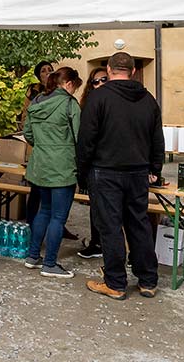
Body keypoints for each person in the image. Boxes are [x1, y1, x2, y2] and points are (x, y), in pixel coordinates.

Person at [78, 52, 163, 300]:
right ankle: (148, 280)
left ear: (109, 68)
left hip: (106, 171)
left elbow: (86, 140)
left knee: (111, 227)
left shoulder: (99, 97)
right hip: (138, 171)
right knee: (139, 224)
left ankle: (115, 282)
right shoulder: (148, 99)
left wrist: (82, 173)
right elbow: (157, 139)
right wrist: (154, 170)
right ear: (133, 71)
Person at [22, 67, 82, 279]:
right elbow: (78, 137)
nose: (74, 91)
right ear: (68, 84)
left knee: (43, 211)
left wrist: (43, 145)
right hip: (62, 167)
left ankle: (32, 256)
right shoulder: (69, 104)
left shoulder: (37, 101)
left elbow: (27, 132)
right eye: (74, 87)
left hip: (40, 165)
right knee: (58, 216)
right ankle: (50, 263)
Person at [76, 67, 109, 259]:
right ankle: (97, 243)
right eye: (95, 81)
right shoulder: (87, 105)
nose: (99, 84)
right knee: (95, 208)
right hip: (94, 163)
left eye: (103, 79)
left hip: (110, 163)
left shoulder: (115, 102)